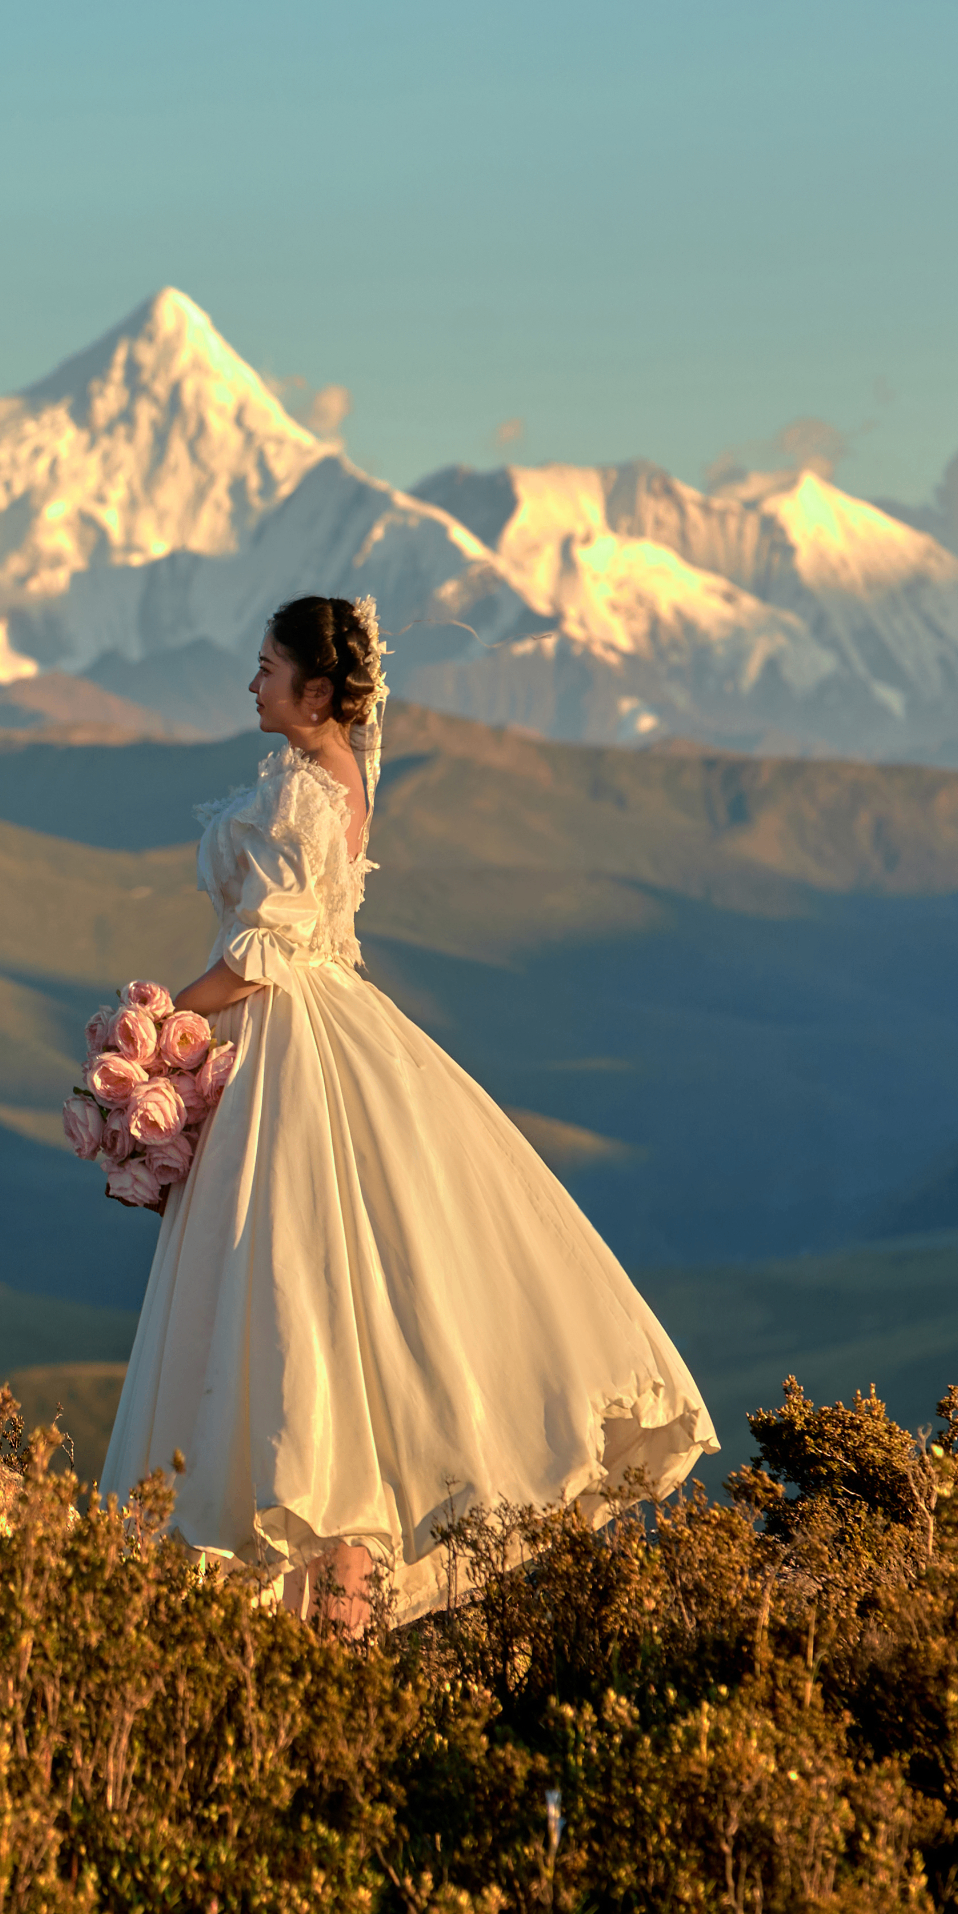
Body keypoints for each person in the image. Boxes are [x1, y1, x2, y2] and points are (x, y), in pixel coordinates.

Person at [99, 593, 716, 1639]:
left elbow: (266, 951)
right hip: (301, 1042)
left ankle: (322, 1610)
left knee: (301, 1309)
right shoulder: (325, 775)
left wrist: (161, 1022)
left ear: (319, 691)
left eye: (266, 667)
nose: (250, 683)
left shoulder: (308, 791)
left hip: (299, 1044)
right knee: (321, 1315)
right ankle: (322, 1608)